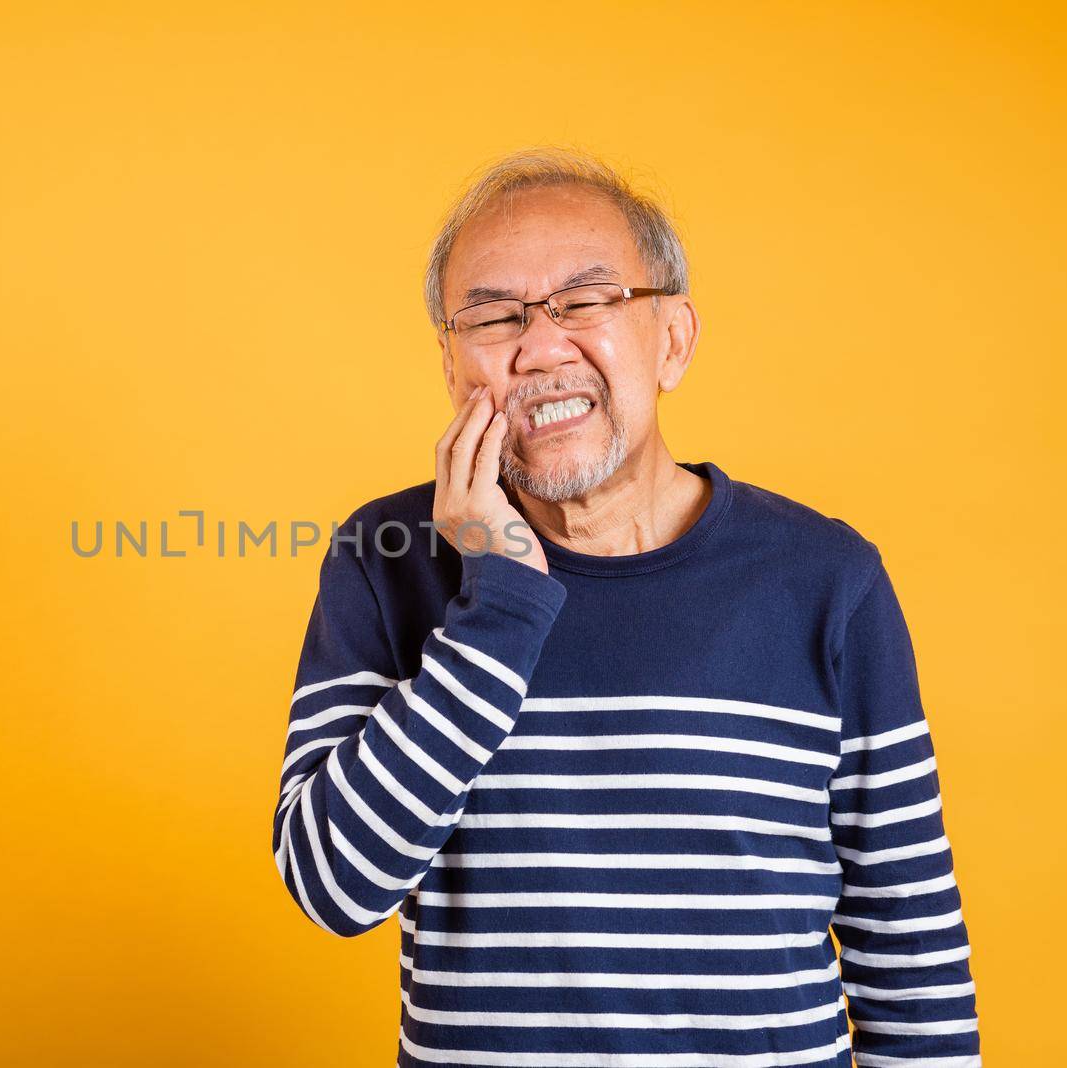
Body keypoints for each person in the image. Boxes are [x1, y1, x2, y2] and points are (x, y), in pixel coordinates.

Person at [270, 147, 981, 1067]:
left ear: (673, 340)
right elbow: (334, 887)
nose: (541, 347)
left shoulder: (826, 576)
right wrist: (503, 599)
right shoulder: (385, 557)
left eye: (588, 301)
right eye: (494, 317)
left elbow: (909, 942)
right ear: (453, 366)